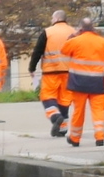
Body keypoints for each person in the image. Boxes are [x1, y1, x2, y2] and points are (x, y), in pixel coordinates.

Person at [60, 17, 104, 147]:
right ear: (93, 28)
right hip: (97, 82)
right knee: (98, 110)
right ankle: (100, 137)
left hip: (78, 82)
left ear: (81, 28)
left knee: (78, 111)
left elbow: (64, 50)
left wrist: (73, 35)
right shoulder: (103, 42)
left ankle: (75, 138)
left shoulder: (75, 41)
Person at [28, 9, 73, 137]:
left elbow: (37, 51)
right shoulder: (74, 32)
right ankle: (62, 129)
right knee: (64, 100)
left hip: (51, 71)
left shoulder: (48, 32)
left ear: (57, 19)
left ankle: (55, 117)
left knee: (47, 97)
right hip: (69, 72)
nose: (51, 21)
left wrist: (32, 67)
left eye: (52, 18)